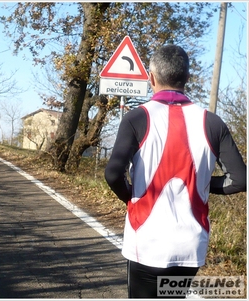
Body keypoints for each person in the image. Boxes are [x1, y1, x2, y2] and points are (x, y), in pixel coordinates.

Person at [104, 45, 246, 299]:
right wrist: (201, 183)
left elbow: (113, 174)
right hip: (190, 245)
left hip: (146, 239)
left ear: (151, 77)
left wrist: (130, 195)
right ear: (187, 78)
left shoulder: (136, 118)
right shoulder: (212, 122)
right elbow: (240, 180)